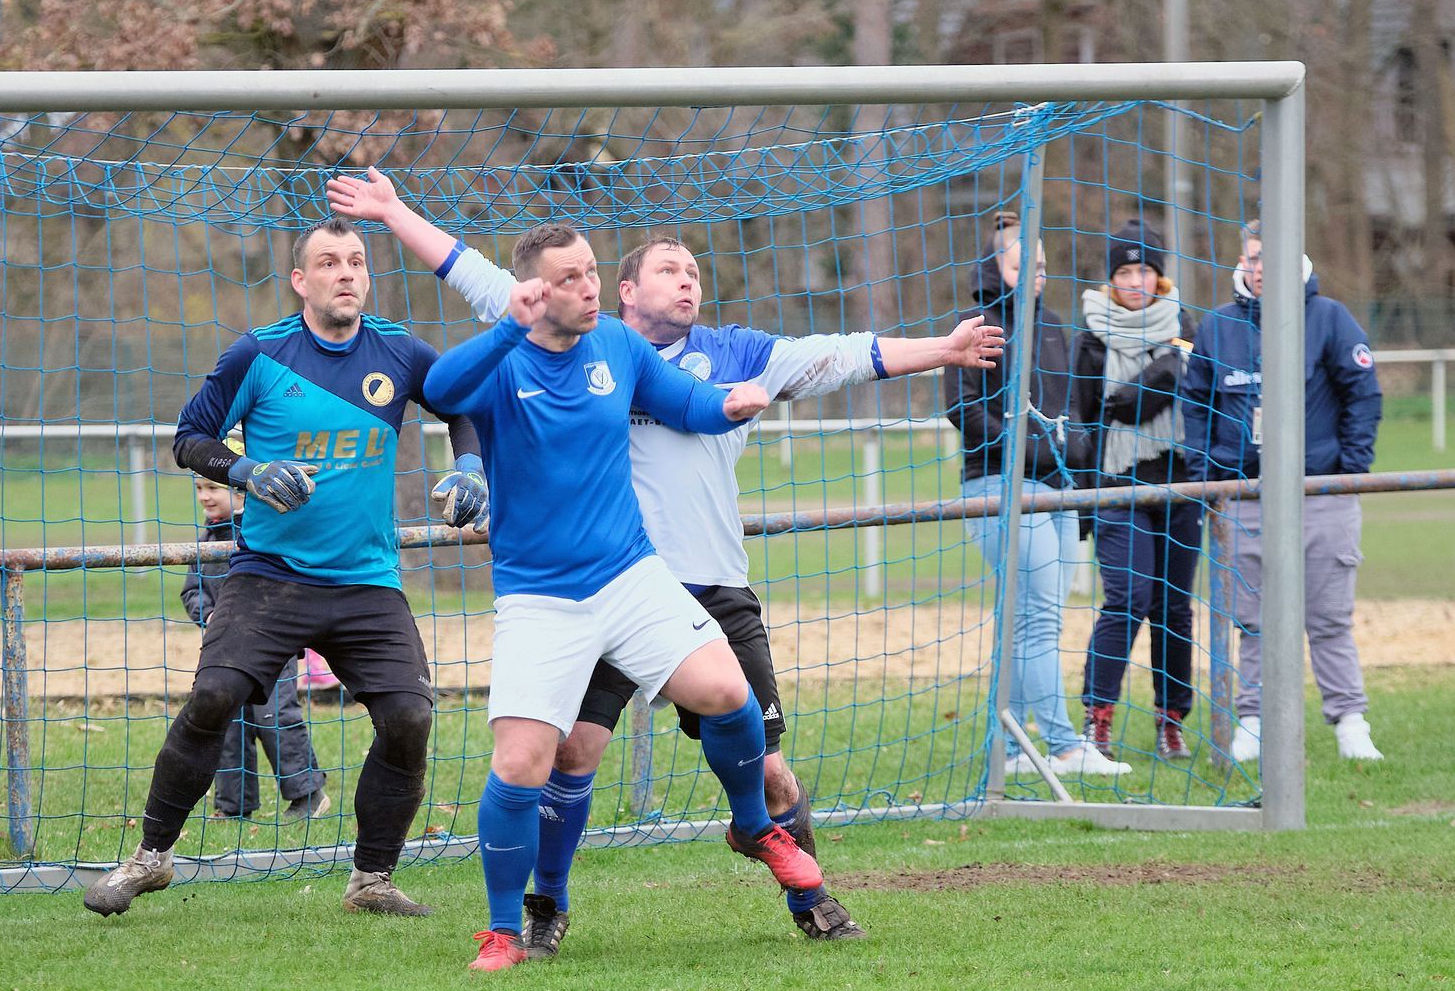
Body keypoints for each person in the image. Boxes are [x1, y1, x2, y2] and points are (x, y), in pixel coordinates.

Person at [329, 166, 1006, 949]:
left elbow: (842, 354)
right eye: (669, 269)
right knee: (570, 752)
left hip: (710, 583)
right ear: (625, 290)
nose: (688, 280)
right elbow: (471, 275)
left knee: (768, 764)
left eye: (694, 271)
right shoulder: (560, 330)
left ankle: (809, 900)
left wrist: (942, 349)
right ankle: (541, 911)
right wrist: (394, 212)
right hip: (605, 580)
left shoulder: (734, 352)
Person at [420, 222, 821, 973]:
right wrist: (507, 327)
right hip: (540, 597)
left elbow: (686, 404)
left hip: (630, 575)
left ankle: (753, 826)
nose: (589, 287)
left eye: (593, 272)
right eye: (570, 278)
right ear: (534, 291)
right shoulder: (505, 360)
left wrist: (730, 405)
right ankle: (503, 932)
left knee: (726, 692)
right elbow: (442, 390)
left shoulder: (617, 344)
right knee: (522, 764)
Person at [83, 218, 486, 918]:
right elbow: (189, 437)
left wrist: (472, 467)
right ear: (300, 280)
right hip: (270, 576)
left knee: (408, 718)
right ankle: (150, 858)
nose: (346, 273)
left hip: (366, 581)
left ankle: (372, 880)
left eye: (356, 261)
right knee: (215, 695)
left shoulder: (400, 351)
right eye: (328, 262)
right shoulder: (259, 353)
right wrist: (248, 471)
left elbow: (463, 408)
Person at [1181, 221, 1385, 762]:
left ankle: (1350, 723)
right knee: (1254, 621)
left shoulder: (1330, 318)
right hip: (1245, 498)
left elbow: (1363, 395)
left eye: (1273, 256)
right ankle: (1253, 720)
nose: (1263, 267)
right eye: (1254, 257)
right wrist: (1209, 471)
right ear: (1241, 263)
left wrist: (1347, 470)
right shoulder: (1217, 327)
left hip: (1319, 495)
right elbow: (1195, 403)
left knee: (1329, 618)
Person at [945, 212, 1131, 778]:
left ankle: (1012, 748)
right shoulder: (974, 325)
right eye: (1023, 265)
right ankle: (1065, 746)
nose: (1037, 275)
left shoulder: (1053, 326)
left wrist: (1072, 448)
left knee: (1033, 619)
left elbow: (1071, 405)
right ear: (994, 267)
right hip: (998, 487)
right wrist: (1021, 445)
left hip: (1057, 490)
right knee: (1037, 619)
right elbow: (960, 408)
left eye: (1043, 266)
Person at [1073, 221, 1203, 761]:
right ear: (1111, 279)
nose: (1134, 282)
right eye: (1124, 272)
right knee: (1127, 599)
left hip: (1179, 482)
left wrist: (1142, 390)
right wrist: (1083, 501)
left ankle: (1171, 720)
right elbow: (1083, 421)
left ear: (1159, 277)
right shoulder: (1089, 337)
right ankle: (1097, 719)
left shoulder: (1184, 328)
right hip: (1116, 484)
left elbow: (1193, 389)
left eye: (1144, 271)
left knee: (1174, 608)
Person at [179, 444, 330, 822]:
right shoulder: (206, 539)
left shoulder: (265, 531)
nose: (204, 496)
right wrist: (209, 615)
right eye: (199, 488)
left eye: (212, 488)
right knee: (226, 719)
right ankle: (233, 806)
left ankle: (307, 794)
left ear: (241, 492)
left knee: (273, 714)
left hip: (272, 643)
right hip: (225, 645)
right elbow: (192, 590)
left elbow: (290, 579)